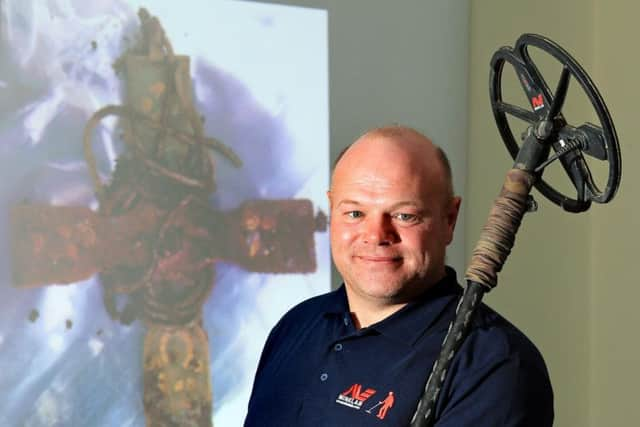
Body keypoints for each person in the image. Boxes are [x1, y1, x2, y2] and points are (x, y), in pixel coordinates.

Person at [244, 125, 553, 426]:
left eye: (404, 215)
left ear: (449, 219)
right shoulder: (297, 325)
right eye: (355, 213)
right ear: (331, 210)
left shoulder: (494, 364)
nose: (376, 235)